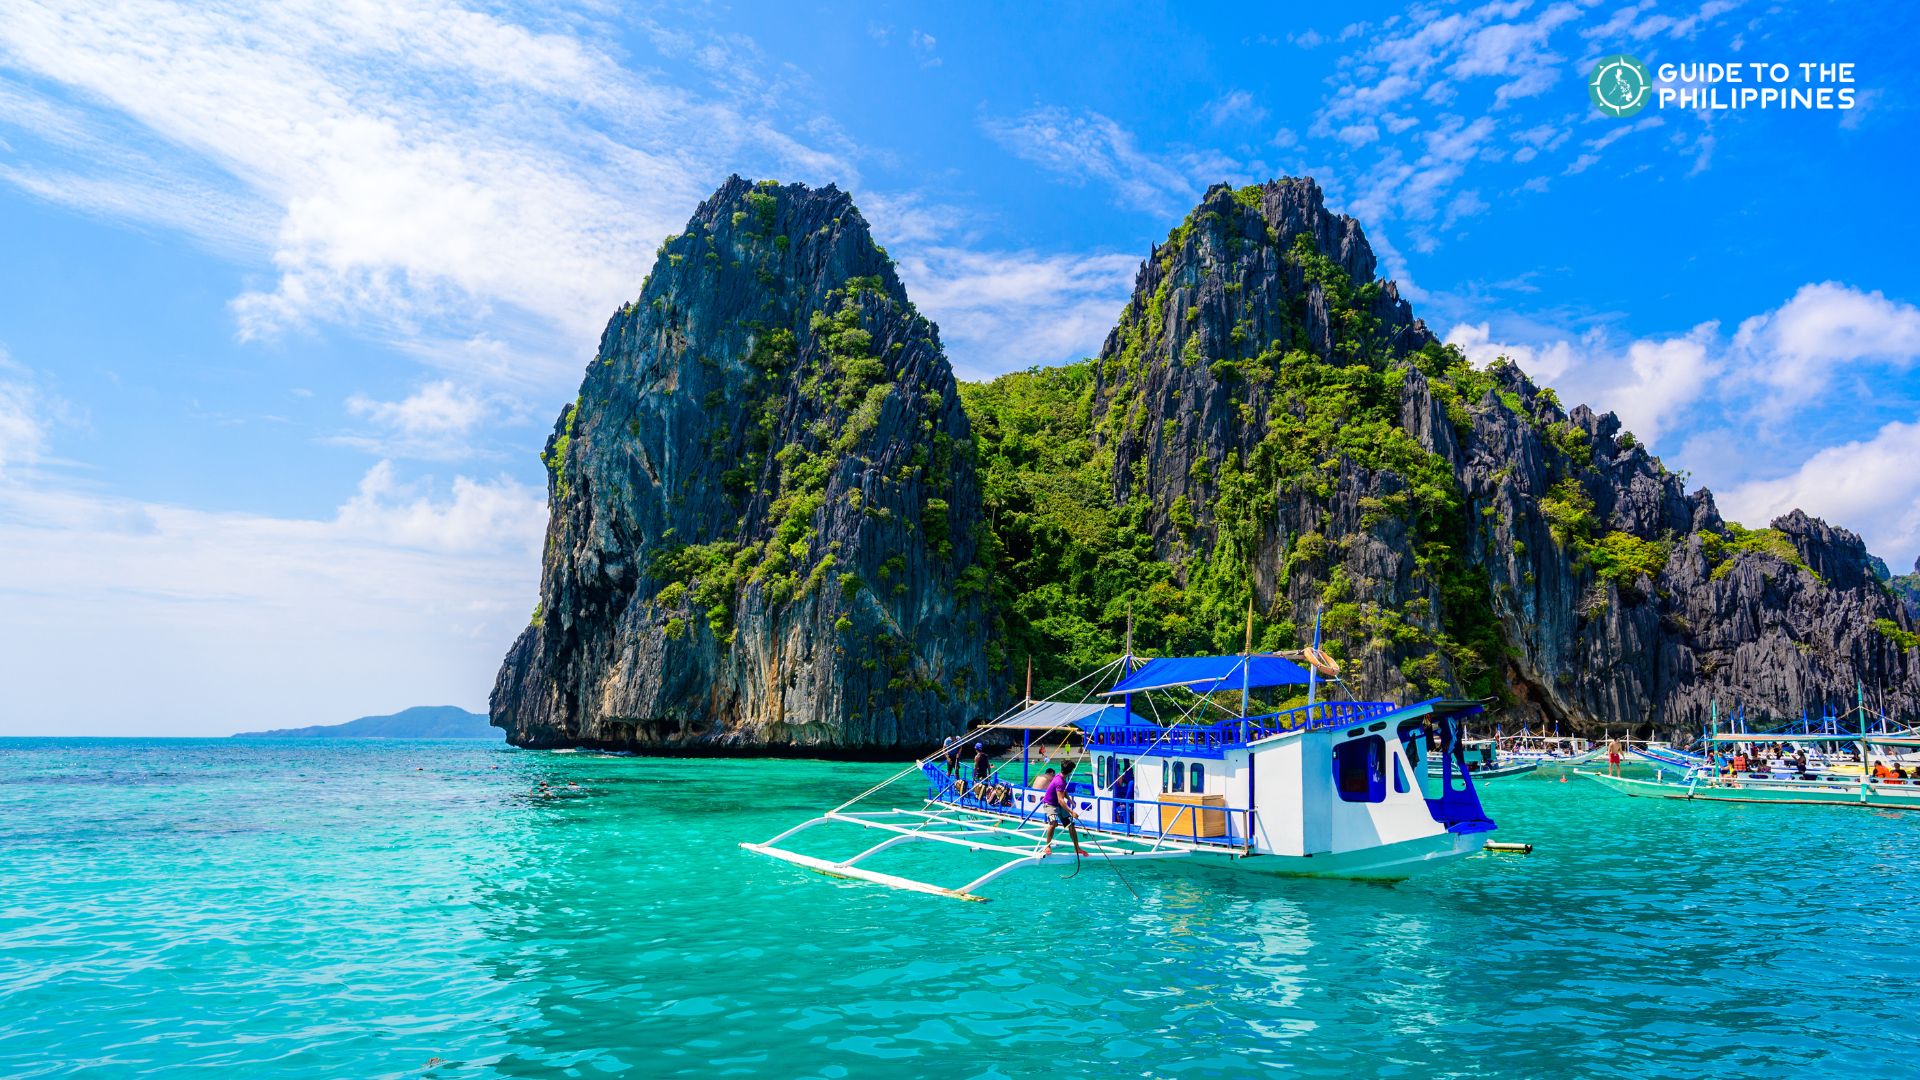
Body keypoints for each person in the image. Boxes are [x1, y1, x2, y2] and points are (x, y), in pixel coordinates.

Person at [1039, 762, 1088, 858]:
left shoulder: (1060, 777)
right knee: (1053, 823)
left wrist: (1069, 799)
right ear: (1070, 771)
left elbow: (1062, 791)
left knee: (1070, 824)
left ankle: (1077, 847)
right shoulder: (1060, 781)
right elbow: (1061, 800)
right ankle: (1047, 846)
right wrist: (1072, 811)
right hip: (1050, 804)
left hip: (1058, 804)